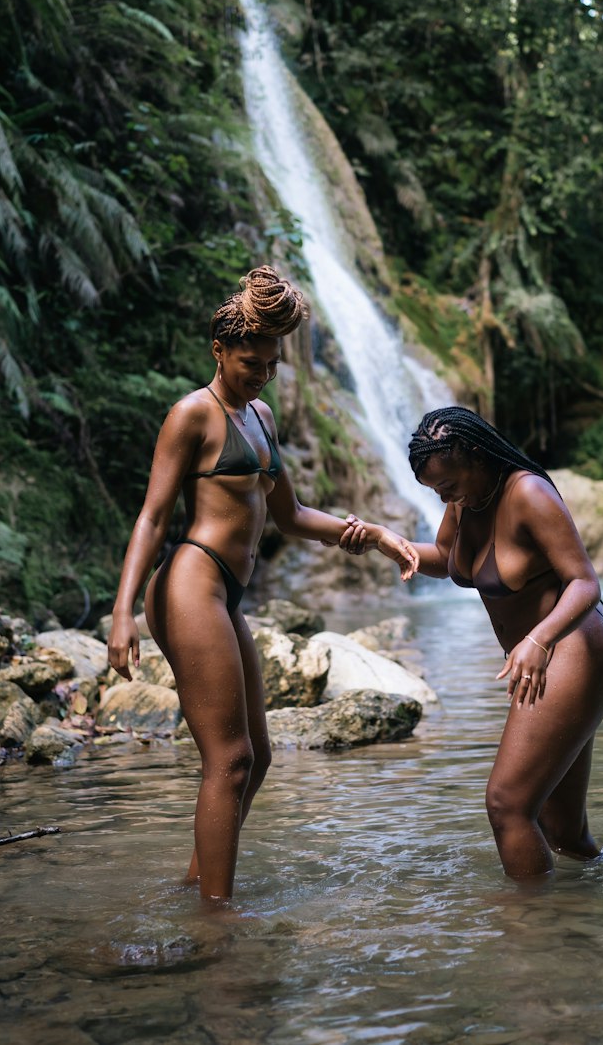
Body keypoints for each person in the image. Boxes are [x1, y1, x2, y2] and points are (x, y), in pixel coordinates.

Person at [107, 265, 419, 901]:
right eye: (251, 362)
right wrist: (121, 616)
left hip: (225, 592)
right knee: (230, 759)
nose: (262, 373)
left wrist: (374, 535)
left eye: (272, 363)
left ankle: (197, 888)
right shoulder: (191, 415)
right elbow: (151, 517)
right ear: (219, 350)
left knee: (260, 757)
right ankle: (218, 922)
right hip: (190, 580)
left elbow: (291, 517)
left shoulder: (262, 417)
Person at [347, 405, 603, 882]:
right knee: (562, 831)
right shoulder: (464, 501)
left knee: (507, 804)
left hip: (573, 646)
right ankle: (598, 906)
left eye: (448, 486)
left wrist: (538, 641)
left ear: (476, 456)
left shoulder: (529, 494)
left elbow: (584, 582)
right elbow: (452, 561)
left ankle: (531, 932)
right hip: (543, 655)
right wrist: (386, 541)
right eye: (435, 491)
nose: (443, 499)